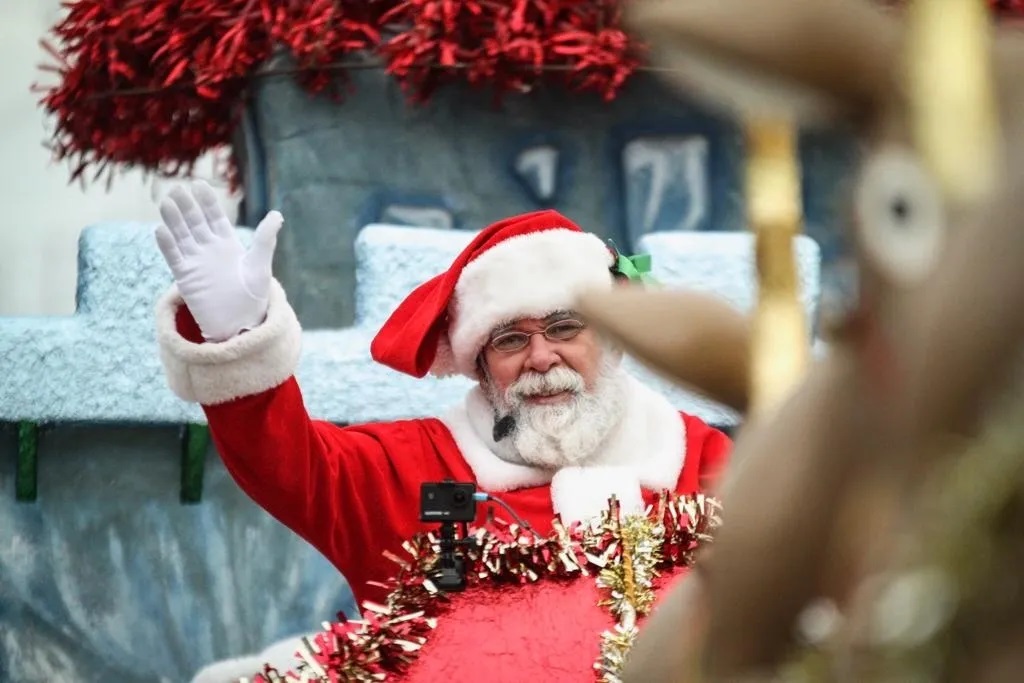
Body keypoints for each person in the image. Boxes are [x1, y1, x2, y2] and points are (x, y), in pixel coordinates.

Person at [153, 180, 732, 618]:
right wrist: (237, 340)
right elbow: (287, 463)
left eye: (564, 328)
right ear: (479, 367)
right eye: (509, 340)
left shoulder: (700, 461)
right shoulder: (413, 467)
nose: (540, 358)